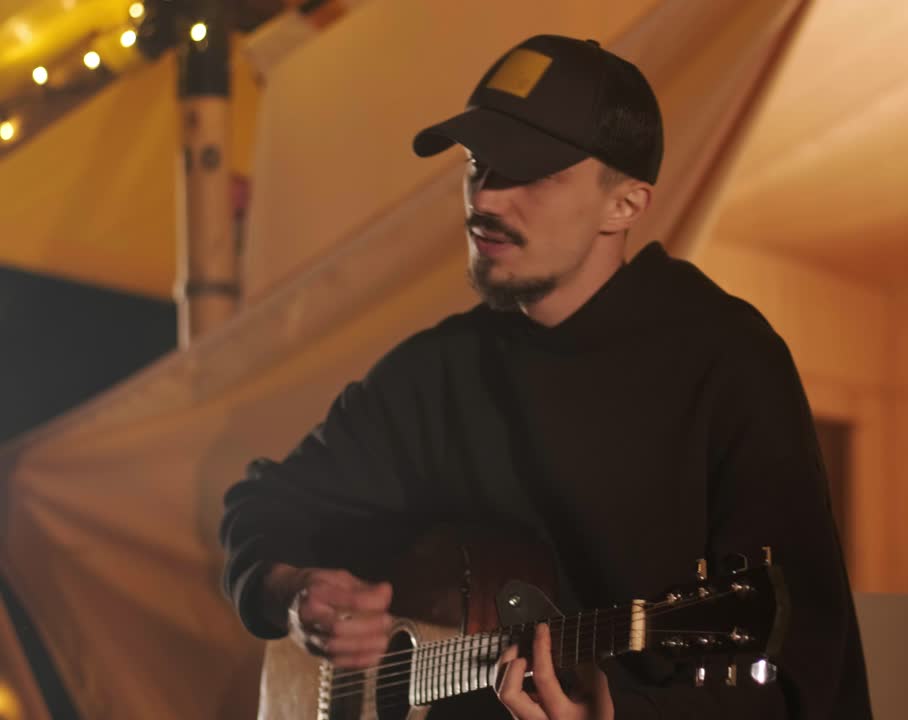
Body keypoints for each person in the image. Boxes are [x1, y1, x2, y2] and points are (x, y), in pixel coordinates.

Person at [219, 34, 872, 719]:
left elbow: (805, 661)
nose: (488, 199)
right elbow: (262, 505)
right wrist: (293, 590)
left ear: (625, 204)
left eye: (531, 171)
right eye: (479, 163)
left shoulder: (728, 359)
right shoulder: (438, 372)